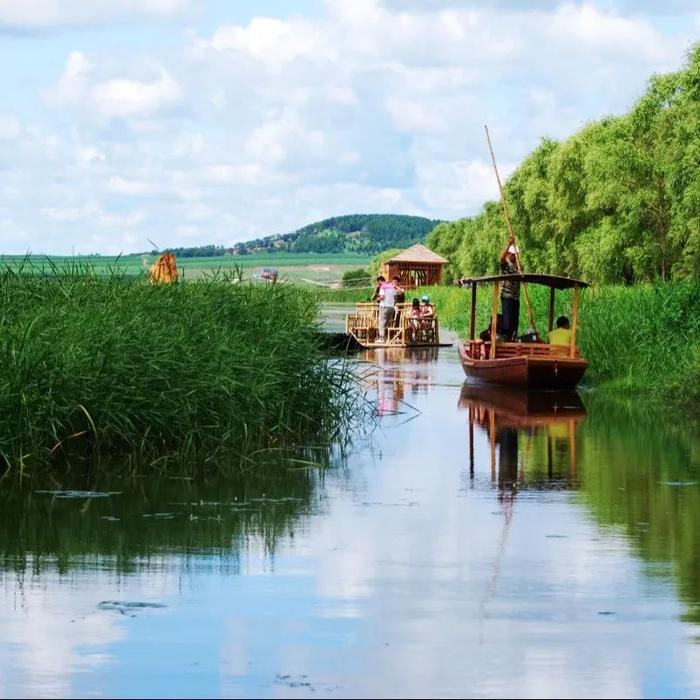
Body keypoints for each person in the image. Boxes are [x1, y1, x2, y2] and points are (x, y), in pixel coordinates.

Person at [499, 234, 520, 340]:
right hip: (507, 297)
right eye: (513, 254)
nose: (516, 257)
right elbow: (501, 257)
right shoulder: (505, 264)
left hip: (516, 298)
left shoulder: (518, 267)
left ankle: (513, 340)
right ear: (509, 254)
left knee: (515, 323)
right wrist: (509, 243)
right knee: (507, 323)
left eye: (516, 255)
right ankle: (504, 339)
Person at [377, 277, 403, 342]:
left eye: (379, 282)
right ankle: (388, 338)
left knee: (382, 323)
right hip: (391, 308)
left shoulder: (383, 287)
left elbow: (382, 297)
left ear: (381, 282)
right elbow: (394, 297)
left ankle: (382, 339)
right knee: (388, 323)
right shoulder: (392, 288)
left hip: (384, 307)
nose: (378, 284)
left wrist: (378, 299)